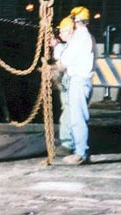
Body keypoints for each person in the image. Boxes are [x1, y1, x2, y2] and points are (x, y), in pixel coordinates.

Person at [55, 6, 96, 165]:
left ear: (76, 20)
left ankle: (81, 153)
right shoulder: (87, 37)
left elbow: (65, 61)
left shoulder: (80, 38)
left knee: (78, 118)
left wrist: (54, 67)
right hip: (80, 80)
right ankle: (79, 151)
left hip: (79, 81)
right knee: (76, 117)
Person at [50, 17, 75, 157]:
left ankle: (67, 144)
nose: (60, 34)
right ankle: (70, 142)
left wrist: (50, 68)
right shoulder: (70, 45)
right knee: (68, 110)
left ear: (70, 31)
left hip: (73, 81)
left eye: (62, 31)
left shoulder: (74, 45)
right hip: (70, 81)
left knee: (68, 114)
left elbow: (63, 64)